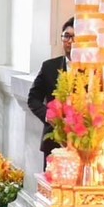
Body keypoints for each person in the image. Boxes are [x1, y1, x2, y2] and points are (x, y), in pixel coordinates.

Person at [27, 18, 75, 165]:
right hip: (53, 140)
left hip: (83, 143)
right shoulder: (49, 67)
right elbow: (33, 99)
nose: (70, 41)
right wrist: (48, 115)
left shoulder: (92, 70)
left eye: (75, 37)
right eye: (66, 36)